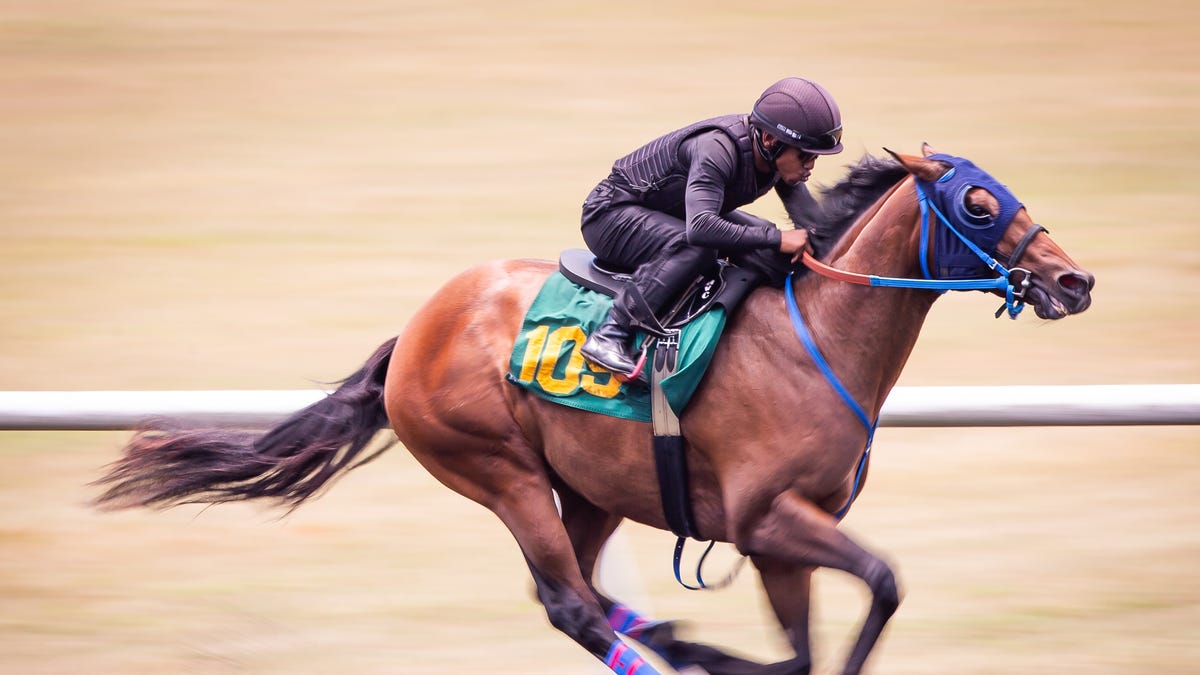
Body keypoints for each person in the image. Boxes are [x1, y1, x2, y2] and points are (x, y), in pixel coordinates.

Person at [579, 76, 845, 378]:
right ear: (771, 141)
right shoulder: (717, 148)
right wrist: (777, 238)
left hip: (672, 215)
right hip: (610, 216)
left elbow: (813, 226)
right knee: (701, 246)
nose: (810, 165)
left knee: (767, 243)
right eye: (805, 155)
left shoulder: (775, 158)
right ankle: (611, 334)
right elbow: (701, 228)